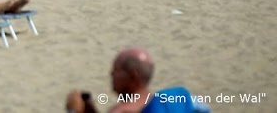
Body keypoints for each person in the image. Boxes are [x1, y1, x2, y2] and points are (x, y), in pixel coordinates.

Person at [66, 47, 209, 113]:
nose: (111, 75)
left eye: (116, 71)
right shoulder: (178, 100)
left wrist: (73, 111)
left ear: (133, 76)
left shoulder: (122, 111)